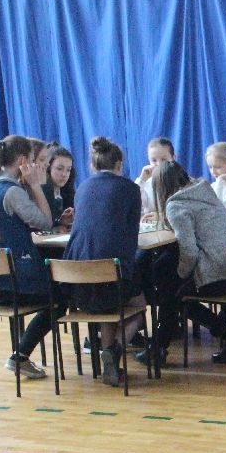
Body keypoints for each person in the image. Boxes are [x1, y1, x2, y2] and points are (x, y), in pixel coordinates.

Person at [0, 134, 60, 380]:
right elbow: (45, 222)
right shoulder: (11, 192)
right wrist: (35, 186)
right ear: (22, 161)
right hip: (9, 281)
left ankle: (20, 353)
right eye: (32, 160)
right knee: (61, 296)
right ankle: (20, 356)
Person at [145, 160, 226, 365]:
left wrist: (181, 274)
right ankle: (159, 348)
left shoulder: (176, 205)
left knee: (172, 294)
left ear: (161, 187)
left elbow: (190, 253)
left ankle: (160, 348)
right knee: (170, 284)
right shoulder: (205, 192)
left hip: (216, 275)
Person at [63, 137, 146, 386]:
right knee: (139, 306)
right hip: (112, 272)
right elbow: (131, 235)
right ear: (119, 164)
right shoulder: (130, 189)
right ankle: (114, 350)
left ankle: (111, 363)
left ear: (93, 165)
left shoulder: (82, 188)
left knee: (106, 307)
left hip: (74, 278)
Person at [135, 137, 175, 217]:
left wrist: (161, 217)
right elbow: (131, 203)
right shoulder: (145, 184)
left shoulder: (183, 181)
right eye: (154, 160)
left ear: (173, 158)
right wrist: (141, 180)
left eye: (163, 159)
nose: (159, 164)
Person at [42, 144, 76, 227]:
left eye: (68, 170)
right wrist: (59, 222)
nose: (64, 174)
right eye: (59, 169)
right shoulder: (41, 192)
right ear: (48, 168)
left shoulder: (69, 193)